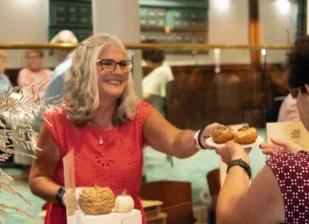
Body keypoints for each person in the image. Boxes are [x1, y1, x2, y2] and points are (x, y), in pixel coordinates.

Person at [28, 33, 221, 224]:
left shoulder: (138, 114)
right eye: (108, 63)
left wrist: (200, 136)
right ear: (85, 69)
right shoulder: (58, 120)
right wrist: (66, 195)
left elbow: (175, 141)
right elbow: (37, 179)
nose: (118, 71)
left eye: (123, 64)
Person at [214, 29, 309, 223]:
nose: (295, 102)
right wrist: (302, 157)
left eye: (296, 94)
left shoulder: (291, 173)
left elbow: (230, 218)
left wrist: (238, 161)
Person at [44, 30, 78, 103]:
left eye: (55, 49)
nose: (55, 53)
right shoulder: (84, 63)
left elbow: (49, 102)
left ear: (60, 48)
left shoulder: (62, 70)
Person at [142, 41, 174, 117]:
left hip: (153, 114)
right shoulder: (160, 70)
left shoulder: (162, 71)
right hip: (151, 113)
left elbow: (145, 96)